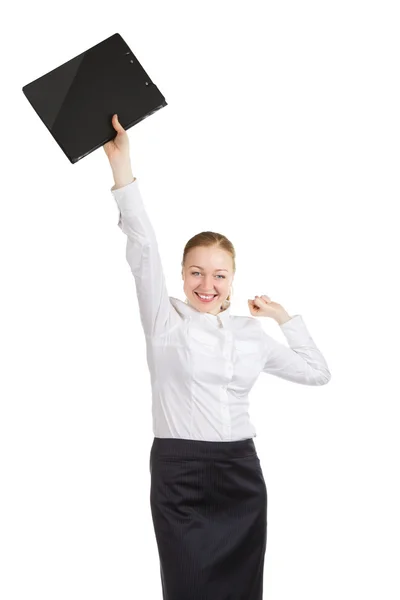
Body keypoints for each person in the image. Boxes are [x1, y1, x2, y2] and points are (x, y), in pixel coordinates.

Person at [103, 114, 331, 600]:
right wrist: (123, 168)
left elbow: (317, 373)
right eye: (196, 273)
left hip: (240, 475)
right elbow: (142, 246)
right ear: (183, 276)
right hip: (179, 473)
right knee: (186, 587)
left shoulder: (252, 335)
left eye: (220, 275)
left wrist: (283, 317)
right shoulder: (164, 320)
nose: (207, 285)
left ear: (232, 279)